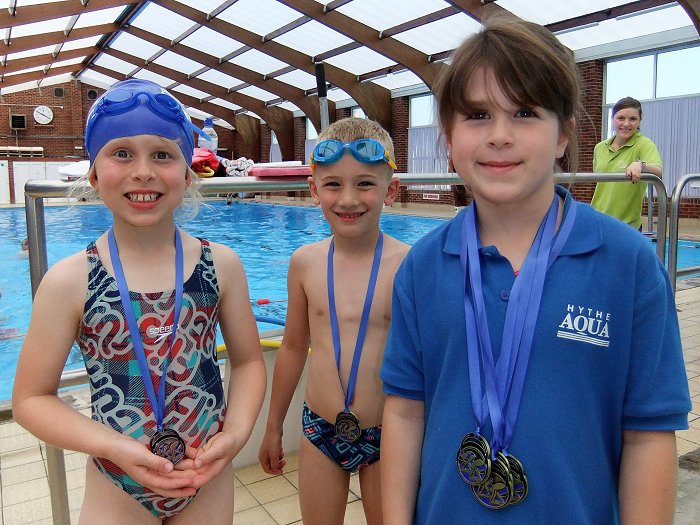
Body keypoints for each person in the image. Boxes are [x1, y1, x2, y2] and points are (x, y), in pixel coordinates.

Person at [380, 19, 691, 525]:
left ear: (565, 132)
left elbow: (648, 435)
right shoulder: (423, 267)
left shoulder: (627, 263)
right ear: (449, 136)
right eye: (477, 115)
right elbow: (404, 411)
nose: (500, 135)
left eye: (525, 112)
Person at [12, 78, 267, 524]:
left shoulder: (220, 265)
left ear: (188, 175)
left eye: (163, 155)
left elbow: (247, 362)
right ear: (94, 174)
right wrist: (115, 448)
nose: (144, 171)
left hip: (204, 473)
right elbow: (32, 398)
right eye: (122, 153)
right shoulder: (69, 281)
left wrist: (238, 433)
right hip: (118, 482)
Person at [258, 117, 409, 525]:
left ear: (389, 190)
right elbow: (292, 347)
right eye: (333, 184)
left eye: (364, 183)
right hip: (320, 427)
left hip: (387, 433)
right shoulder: (305, 263)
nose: (348, 199)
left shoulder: (409, 265)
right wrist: (273, 426)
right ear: (314, 191)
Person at [590, 96, 662, 230]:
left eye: (633, 119)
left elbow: (658, 170)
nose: (626, 124)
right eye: (621, 118)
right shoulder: (600, 148)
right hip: (597, 221)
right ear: (612, 119)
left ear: (640, 120)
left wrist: (640, 165)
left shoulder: (644, 144)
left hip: (627, 226)